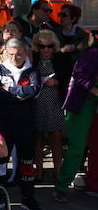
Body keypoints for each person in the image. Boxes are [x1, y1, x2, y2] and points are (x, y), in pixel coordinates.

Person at [0, 38, 41, 210]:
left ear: (26, 53)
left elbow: (33, 90)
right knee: (0, 161)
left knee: (27, 161)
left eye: (19, 54)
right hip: (4, 122)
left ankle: (28, 197)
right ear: (5, 52)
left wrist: (9, 90)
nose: (15, 57)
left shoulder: (32, 70)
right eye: (11, 54)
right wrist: (19, 94)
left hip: (26, 124)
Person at [29, 30, 73, 185]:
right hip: (37, 101)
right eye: (42, 46)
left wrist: (58, 81)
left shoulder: (62, 59)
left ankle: (57, 170)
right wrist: (39, 80)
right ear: (37, 46)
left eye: (49, 46)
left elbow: (69, 77)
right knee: (38, 137)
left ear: (54, 46)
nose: (46, 49)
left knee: (56, 137)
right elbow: (26, 77)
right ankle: (39, 170)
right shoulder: (33, 59)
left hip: (55, 101)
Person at [55, 42, 98, 199]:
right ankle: (61, 187)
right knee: (77, 148)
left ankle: (93, 185)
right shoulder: (92, 54)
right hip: (82, 105)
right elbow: (79, 76)